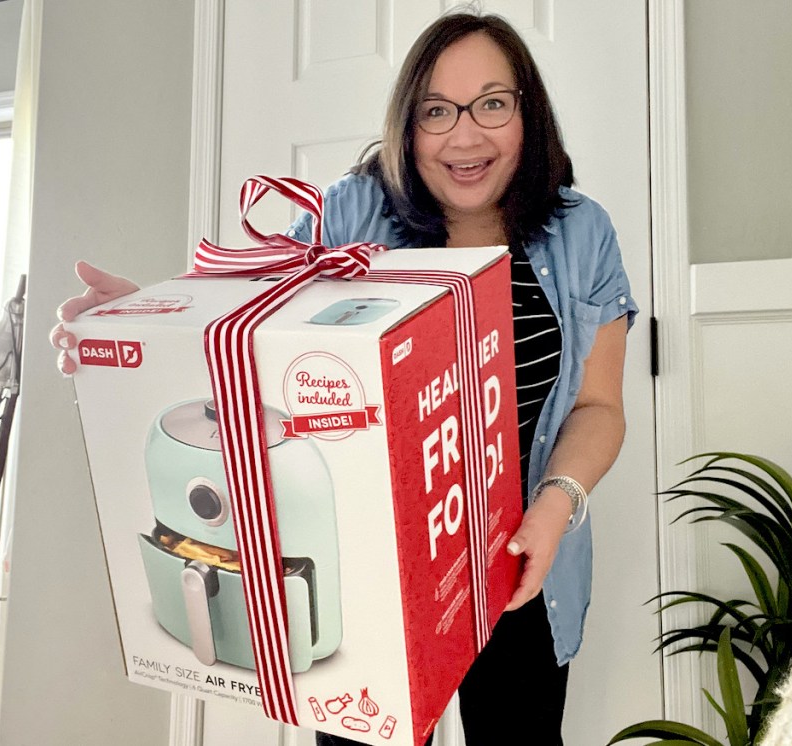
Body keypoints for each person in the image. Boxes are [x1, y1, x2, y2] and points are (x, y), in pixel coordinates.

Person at [51, 11, 637, 745]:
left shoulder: (582, 231)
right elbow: (248, 337)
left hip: (521, 562)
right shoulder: (349, 209)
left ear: (528, 111)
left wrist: (556, 508)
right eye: (436, 111)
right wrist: (136, 323)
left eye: (492, 102)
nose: (465, 136)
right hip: (369, 575)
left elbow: (599, 405)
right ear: (408, 124)